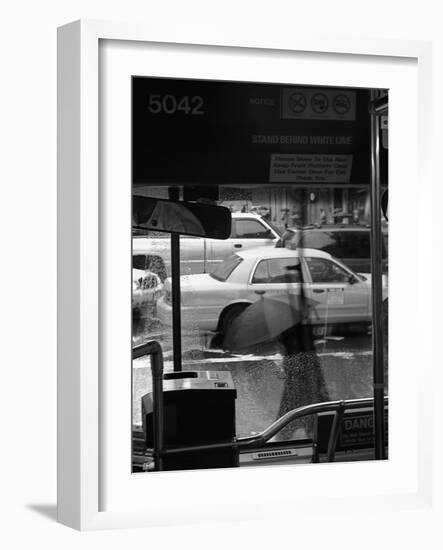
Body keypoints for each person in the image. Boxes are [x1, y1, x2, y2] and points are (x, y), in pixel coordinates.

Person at [276, 322, 329, 440]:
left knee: (296, 400)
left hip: (300, 364)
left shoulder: (290, 321)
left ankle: (288, 432)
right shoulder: (297, 321)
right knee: (307, 399)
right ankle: (314, 431)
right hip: (303, 364)